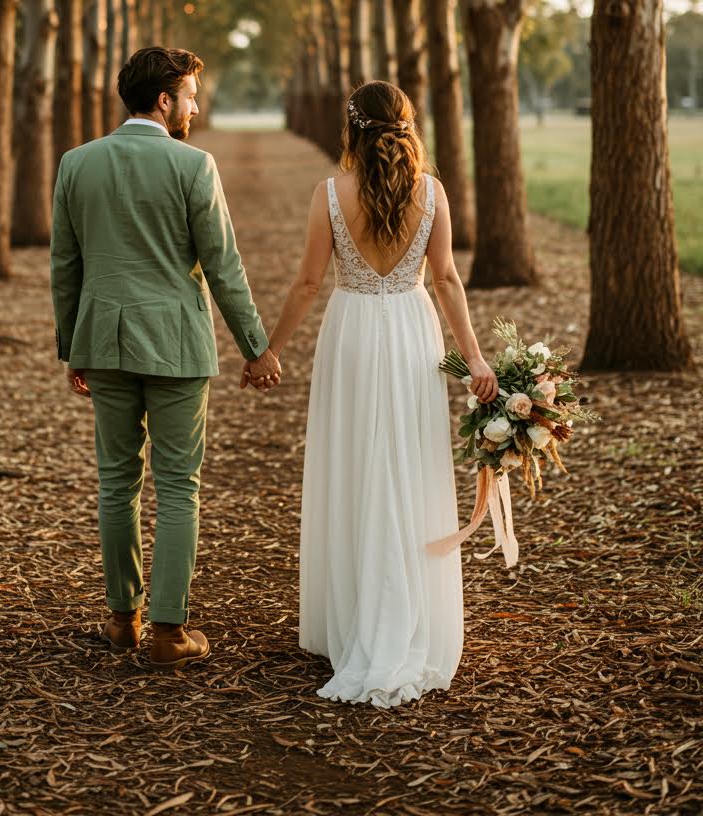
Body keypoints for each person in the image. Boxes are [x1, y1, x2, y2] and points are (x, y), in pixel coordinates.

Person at [259, 80, 497, 707]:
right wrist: (472, 355)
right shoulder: (432, 192)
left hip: (354, 331)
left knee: (357, 466)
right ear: (406, 125)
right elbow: (445, 278)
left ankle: (356, 617)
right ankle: (410, 616)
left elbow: (309, 282)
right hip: (414, 332)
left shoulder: (329, 194)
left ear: (352, 129)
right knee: (411, 465)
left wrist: (271, 348)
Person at [50, 46, 281, 671]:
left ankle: (121, 619)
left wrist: (70, 344)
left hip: (102, 341)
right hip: (177, 343)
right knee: (179, 486)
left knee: (115, 482)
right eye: (191, 94)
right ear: (164, 100)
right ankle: (168, 631)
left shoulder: (76, 164)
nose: (196, 105)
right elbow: (224, 267)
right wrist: (255, 347)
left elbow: (65, 266)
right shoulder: (193, 166)